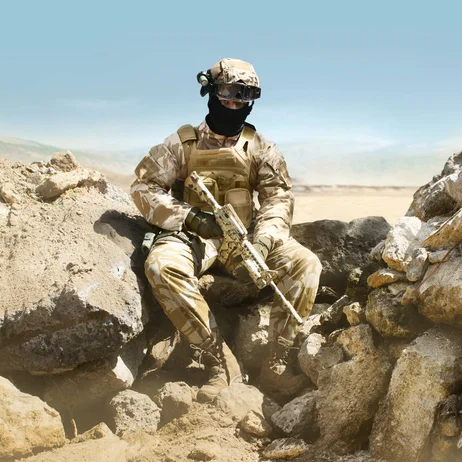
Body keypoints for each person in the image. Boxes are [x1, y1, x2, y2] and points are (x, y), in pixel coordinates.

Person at [130, 58, 322, 403]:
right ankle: (217, 360)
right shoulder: (182, 144)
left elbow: (278, 198)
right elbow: (144, 189)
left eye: (243, 99)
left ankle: (276, 361)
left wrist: (263, 241)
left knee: (306, 264)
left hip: (245, 238)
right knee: (161, 266)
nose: (234, 105)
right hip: (192, 236)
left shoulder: (261, 147)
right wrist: (190, 217)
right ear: (211, 93)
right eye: (227, 96)